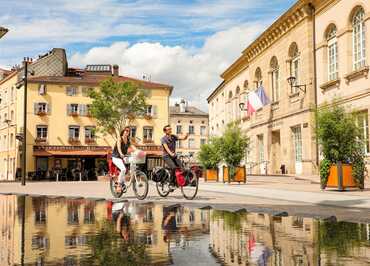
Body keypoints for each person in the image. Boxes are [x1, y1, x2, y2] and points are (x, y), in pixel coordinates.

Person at [112, 126, 136, 192]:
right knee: (123, 169)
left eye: (128, 131)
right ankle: (119, 185)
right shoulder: (120, 139)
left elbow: (132, 147)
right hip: (116, 157)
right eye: (126, 130)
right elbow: (119, 147)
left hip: (123, 157)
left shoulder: (128, 140)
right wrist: (121, 153)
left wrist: (138, 151)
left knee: (133, 160)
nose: (127, 132)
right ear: (123, 131)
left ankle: (132, 173)